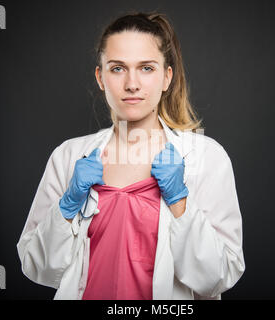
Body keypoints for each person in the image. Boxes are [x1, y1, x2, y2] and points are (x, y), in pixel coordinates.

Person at [16, 11, 245, 300]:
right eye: (117, 68)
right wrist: (67, 205)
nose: (132, 84)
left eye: (147, 68)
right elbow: (37, 267)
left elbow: (220, 276)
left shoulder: (206, 157)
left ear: (166, 77)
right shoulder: (68, 156)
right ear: (100, 77)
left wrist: (180, 202)